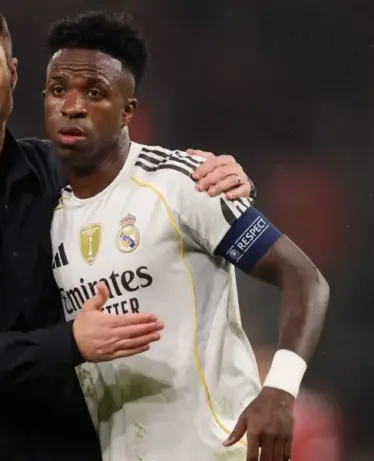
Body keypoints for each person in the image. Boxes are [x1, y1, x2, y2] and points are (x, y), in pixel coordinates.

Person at [0, 1, 254, 461]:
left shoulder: (59, 171)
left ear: (13, 74)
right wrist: (70, 343)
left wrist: (222, 182)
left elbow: (157, 181)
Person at [43, 11, 330, 461]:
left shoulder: (185, 183)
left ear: (127, 111)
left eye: (94, 92)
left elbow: (304, 278)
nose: (72, 106)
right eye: (59, 90)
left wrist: (280, 389)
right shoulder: (48, 217)